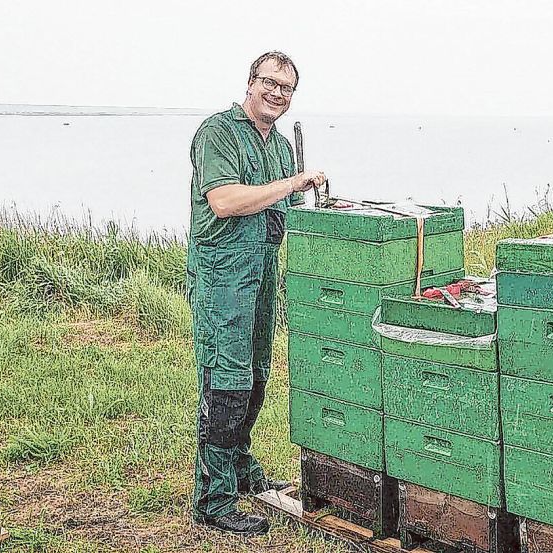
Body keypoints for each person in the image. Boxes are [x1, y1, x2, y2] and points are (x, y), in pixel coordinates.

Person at [186, 51, 325, 535]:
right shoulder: (217, 133)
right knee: (225, 377)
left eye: (286, 88)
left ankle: (239, 465)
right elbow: (224, 201)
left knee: (256, 373)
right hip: (223, 274)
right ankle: (213, 496)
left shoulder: (282, 147)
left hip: (263, 272)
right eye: (269, 82)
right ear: (250, 82)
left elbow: (284, 209)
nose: (276, 93)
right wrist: (292, 183)